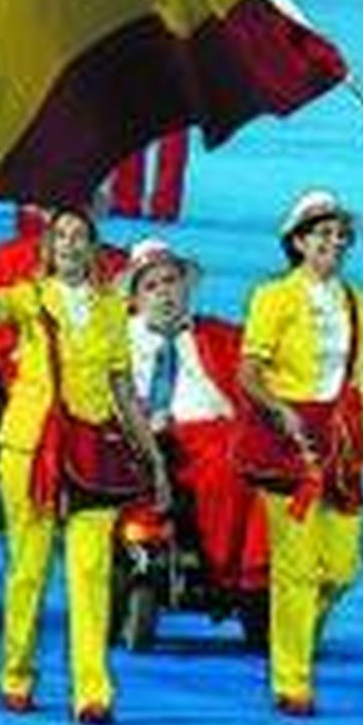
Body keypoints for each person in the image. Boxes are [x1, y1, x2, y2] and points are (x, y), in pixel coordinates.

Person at [0, 204, 167, 725]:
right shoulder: (30, 298)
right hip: (31, 447)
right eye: (61, 235)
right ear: (48, 245)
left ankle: (92, 692)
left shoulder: (110, 309)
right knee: (29, 569)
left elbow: (123, 387)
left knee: (91, 571)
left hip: (92, 450)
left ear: (92, 246)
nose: (70, 243)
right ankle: (16, 674)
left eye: (80, 235)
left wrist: (151, 456)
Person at [236, 190, 363, 716]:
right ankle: (291, 678)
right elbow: (249, 371)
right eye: (322, 235)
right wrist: (279, 410)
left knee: (341, 567)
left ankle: (293, 638)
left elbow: (360, 376)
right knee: (295, 566)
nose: (333, 245)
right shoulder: (273, 296)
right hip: (288, 440)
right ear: (297, 242)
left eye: (341, 237)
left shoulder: (358, 301)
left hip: (338, 440)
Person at [125, 239, 261, 610]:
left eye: (171, 282)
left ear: (186, 286)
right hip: (140, 436)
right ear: (135, 300)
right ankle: (227, 572)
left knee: (240, 460)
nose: (164, 294)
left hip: (213, 435)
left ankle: (240, 573)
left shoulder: (222, 336)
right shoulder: (117, 341)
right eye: (151, 287)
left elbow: (261, 378)